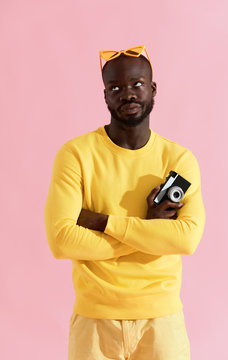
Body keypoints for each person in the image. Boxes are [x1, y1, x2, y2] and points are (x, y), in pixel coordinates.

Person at [44, 45, 205, 360]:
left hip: (162, 321)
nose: (127, 94)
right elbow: (61, 241)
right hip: (94, 321)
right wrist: (150, 231)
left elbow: (187, 239)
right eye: (115, 87)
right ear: (105, 96)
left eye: (137, 84)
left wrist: (102, 222)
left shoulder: (178, 159)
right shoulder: (75, 154)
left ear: (153, 88)